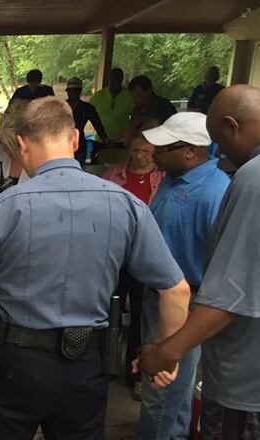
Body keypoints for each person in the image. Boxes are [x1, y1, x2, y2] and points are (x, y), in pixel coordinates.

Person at [0, 97, 191, 439]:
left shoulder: (3, 208)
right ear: (75, 139)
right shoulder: (126, 205)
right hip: (85, 368)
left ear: (23, 144)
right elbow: (176, 290)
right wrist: (166, 354)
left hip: (14, 365)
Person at [138, 84, 260, 440]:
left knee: (166, 402)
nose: (220, 151)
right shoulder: (171, 183)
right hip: (170, 306)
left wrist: (168, 350)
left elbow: (232, 289)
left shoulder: (239, 182)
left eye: (220, 139)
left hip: (202, 319)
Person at [135, 112, 230, 440]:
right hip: (156, 296)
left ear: (191, 151)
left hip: (187, 302)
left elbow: (223, 264)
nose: (155, 153)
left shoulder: (215, 192)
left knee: (166, 395)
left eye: (163, 148)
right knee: (155, 388)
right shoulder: (173, 179)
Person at [103, 120, 166, 399]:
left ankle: (135, 373)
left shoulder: (162, 180)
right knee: (107, 312)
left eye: (146, 151)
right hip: (115, 255)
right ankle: (104, 366)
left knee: (141, 316)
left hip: (145, 257)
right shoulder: (112, 175)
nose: (140, 155)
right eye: (136, 150)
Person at [65, 77, 109, 165]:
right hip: (62, 145)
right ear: (67, 92)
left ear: (80, 91)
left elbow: (98, 125)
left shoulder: (87, 108)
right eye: (70, 90)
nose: (72, 93)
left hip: (80, 146)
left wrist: (107, 141)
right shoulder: (60, 106)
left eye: (75, 90)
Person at [90, 67, 133, 145]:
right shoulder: (99, 96)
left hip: (120, 141)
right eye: (113, 78)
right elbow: (88, 113)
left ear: (121, 79)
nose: (115, 81)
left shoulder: (129, 96)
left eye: (118, 79)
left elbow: (135, 117)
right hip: (100, 140)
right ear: (109, 79)